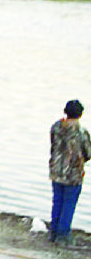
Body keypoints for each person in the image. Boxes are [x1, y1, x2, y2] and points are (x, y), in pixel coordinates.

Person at [48, 99, 91, 245]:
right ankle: (63, 235)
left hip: (56, 170)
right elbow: (88, 153)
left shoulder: (55, 127)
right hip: (73, 174)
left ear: (65, 112)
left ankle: (53, 232)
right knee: (68, 204)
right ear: (80, 114)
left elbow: (53, 146)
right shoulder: (81, 132)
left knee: (57, 202)